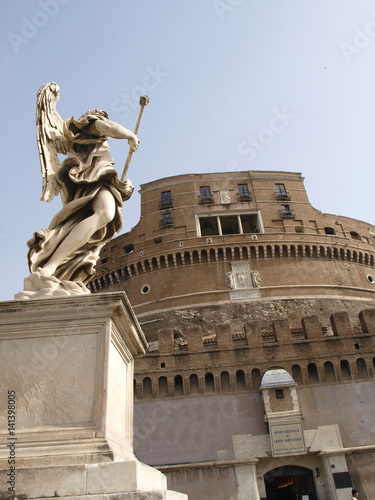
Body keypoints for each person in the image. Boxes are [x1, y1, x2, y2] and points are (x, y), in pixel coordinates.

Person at [22, 83, 140, 296]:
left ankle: (56, 269)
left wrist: (124, 187)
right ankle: (50, 267)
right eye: (100, 117)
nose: (101, 120)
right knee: (105, 214)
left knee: (104, 218)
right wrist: (129, 135)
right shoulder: (87, 127)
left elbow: (112, 180)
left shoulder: (96, 143)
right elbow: (108, 128)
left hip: (96, 182)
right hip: (88, 180)